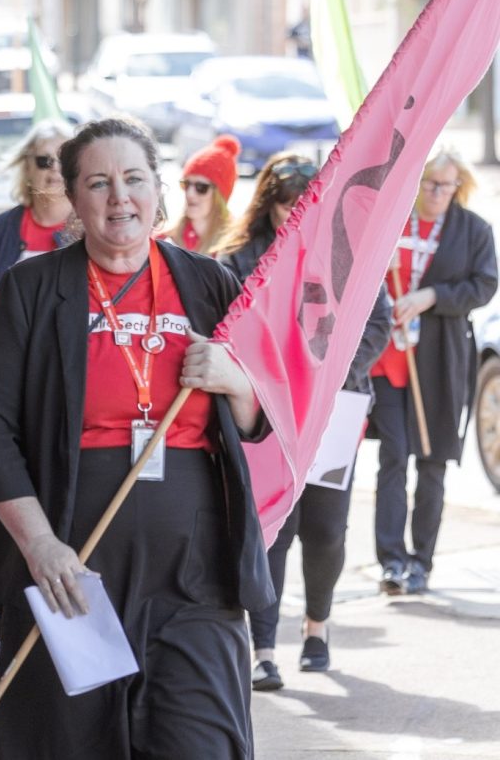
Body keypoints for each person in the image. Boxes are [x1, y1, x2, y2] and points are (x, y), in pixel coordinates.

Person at [0, 116, 274, 758]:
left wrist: (235, 382)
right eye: (98, 183)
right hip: (72, 565)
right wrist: (41, 546)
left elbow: (259, 419)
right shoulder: (30, 288)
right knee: (72, 741)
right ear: (72, 199)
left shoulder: (208, 284)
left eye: (134, 179)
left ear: (158, 189)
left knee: (200, 740)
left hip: (195, 571)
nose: (119, 198)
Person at [216, 152, 391, 690]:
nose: (294, 215)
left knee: (325, 527)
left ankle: (317, 627)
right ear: (268, 203)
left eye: (305, 204)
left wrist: (327, 376)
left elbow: (376, 324)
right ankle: (264, 649)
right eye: (286, 205)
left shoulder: (351, 251)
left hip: (334, 407)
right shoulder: (240, 258)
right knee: (272, 527)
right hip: (267, 411)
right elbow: (226, 328)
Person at [368, 147, 497, 596]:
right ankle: (391, 560)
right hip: (389, 360)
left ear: (457, 186)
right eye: (427, 184)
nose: (435, 193)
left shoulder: (473, 229)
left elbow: (483, 285)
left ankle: (421, 560)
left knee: (432, 460)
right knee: (392, 455)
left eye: (444, 186)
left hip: (440, 361)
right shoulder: (393, 220)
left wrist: (430, 297)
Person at [0, 119, 75, 277]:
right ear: (27, 166)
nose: (55, 168)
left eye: (64, 160)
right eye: (44, 161)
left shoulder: (91, 228)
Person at [162, 134, 239, 255]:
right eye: (186, 184)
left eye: (201, 187)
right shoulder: (163, 238)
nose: (190, 194)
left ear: (220, 195)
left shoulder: (235, 246)